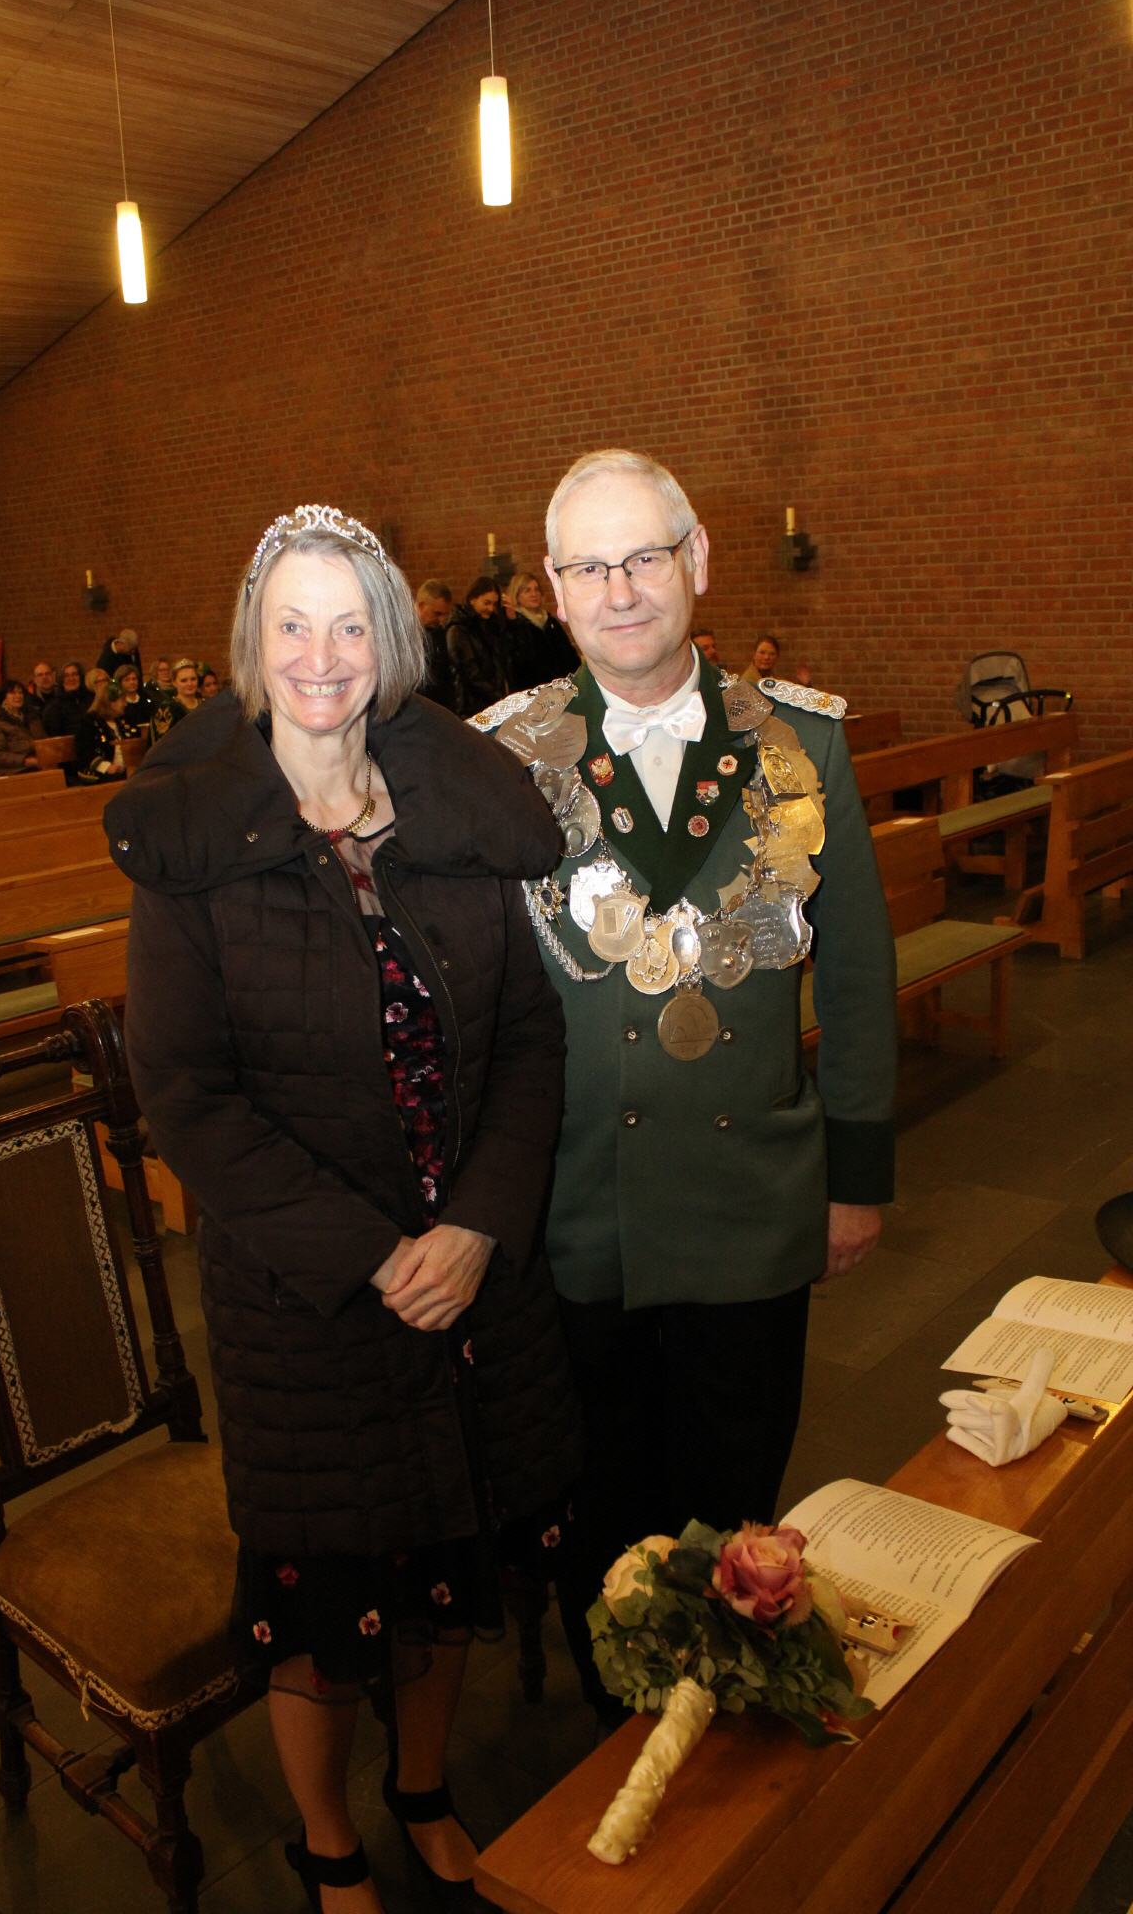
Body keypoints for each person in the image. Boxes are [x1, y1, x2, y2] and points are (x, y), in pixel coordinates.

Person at [107, 503, 580, 1914]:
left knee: (442, 1568)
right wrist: (378, 1257)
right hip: (306, 1300)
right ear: (252, 648)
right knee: (324, 1608)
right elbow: (187, 1096)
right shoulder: (198, 848)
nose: (322, 656)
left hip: (469, 1272)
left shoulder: (450, 819)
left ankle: (423, 1791)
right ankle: (326, 1842)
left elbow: (529, 1039)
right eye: (292, 625)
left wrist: (477, 1225)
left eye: (350, 624)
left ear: (391, 644)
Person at [471, 448, 896, 1723]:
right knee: (598, 1516)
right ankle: (620, 1743)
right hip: (574, 1211)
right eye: (587, 567)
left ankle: (723, 1750)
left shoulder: (799, 740)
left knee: (732, 1510)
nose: (618, 592)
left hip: (745, 1202)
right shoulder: (502, 756)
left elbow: (856, 975)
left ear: (695, 559)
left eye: (642, 558)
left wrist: (856, 1179)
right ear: (553, 589)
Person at [445, 578, 508, 719]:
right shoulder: (459, 629)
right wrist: (497, 696)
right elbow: (469, 672)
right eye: (486, 603)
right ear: (472, 599)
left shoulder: (489, 626)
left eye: (494, 604)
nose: (491, 609)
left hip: (489, 701)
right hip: (471, 704)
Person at [503, 572, 574, 693]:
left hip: (561, 689)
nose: (534, 594)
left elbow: (568, 653)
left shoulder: (550, 621)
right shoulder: (515, 624)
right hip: (531, 692)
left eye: (536, 590)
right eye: (527, 591)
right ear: (517, 595)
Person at [77, 679, 143, 780]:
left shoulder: (124, 719)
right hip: (103, 773)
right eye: (122, 700)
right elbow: (84, 751)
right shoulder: (90, 722)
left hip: (129, 770)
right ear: (110, 703)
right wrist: (106, 767)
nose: (125, 704)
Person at [0, 678, 44, 773]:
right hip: (11, 770)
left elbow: (43, 740)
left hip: (37, 765)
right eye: (12, 693)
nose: (18, 696)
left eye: (20, 692)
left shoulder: (32, 717)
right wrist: (25, 761)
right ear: (3, 698)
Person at [414, 581, 456, 711]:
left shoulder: (438, 632)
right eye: (437, 613)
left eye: (445, 615)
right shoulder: (403, 635)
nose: (442, 620)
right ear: (421, 606)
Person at [148, 657, 202, 742]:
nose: (190, 684)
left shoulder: (206, 705)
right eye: (184, 680)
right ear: (174, 682)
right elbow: (161, 743)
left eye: (193, 679)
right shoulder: (166, 709)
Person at [43, 660, 92, 737]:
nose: (71, 678)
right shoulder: (54, 708)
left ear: (81, 677)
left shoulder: (91, 700)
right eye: (66, 676)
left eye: (74, 674)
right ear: (62, 680)